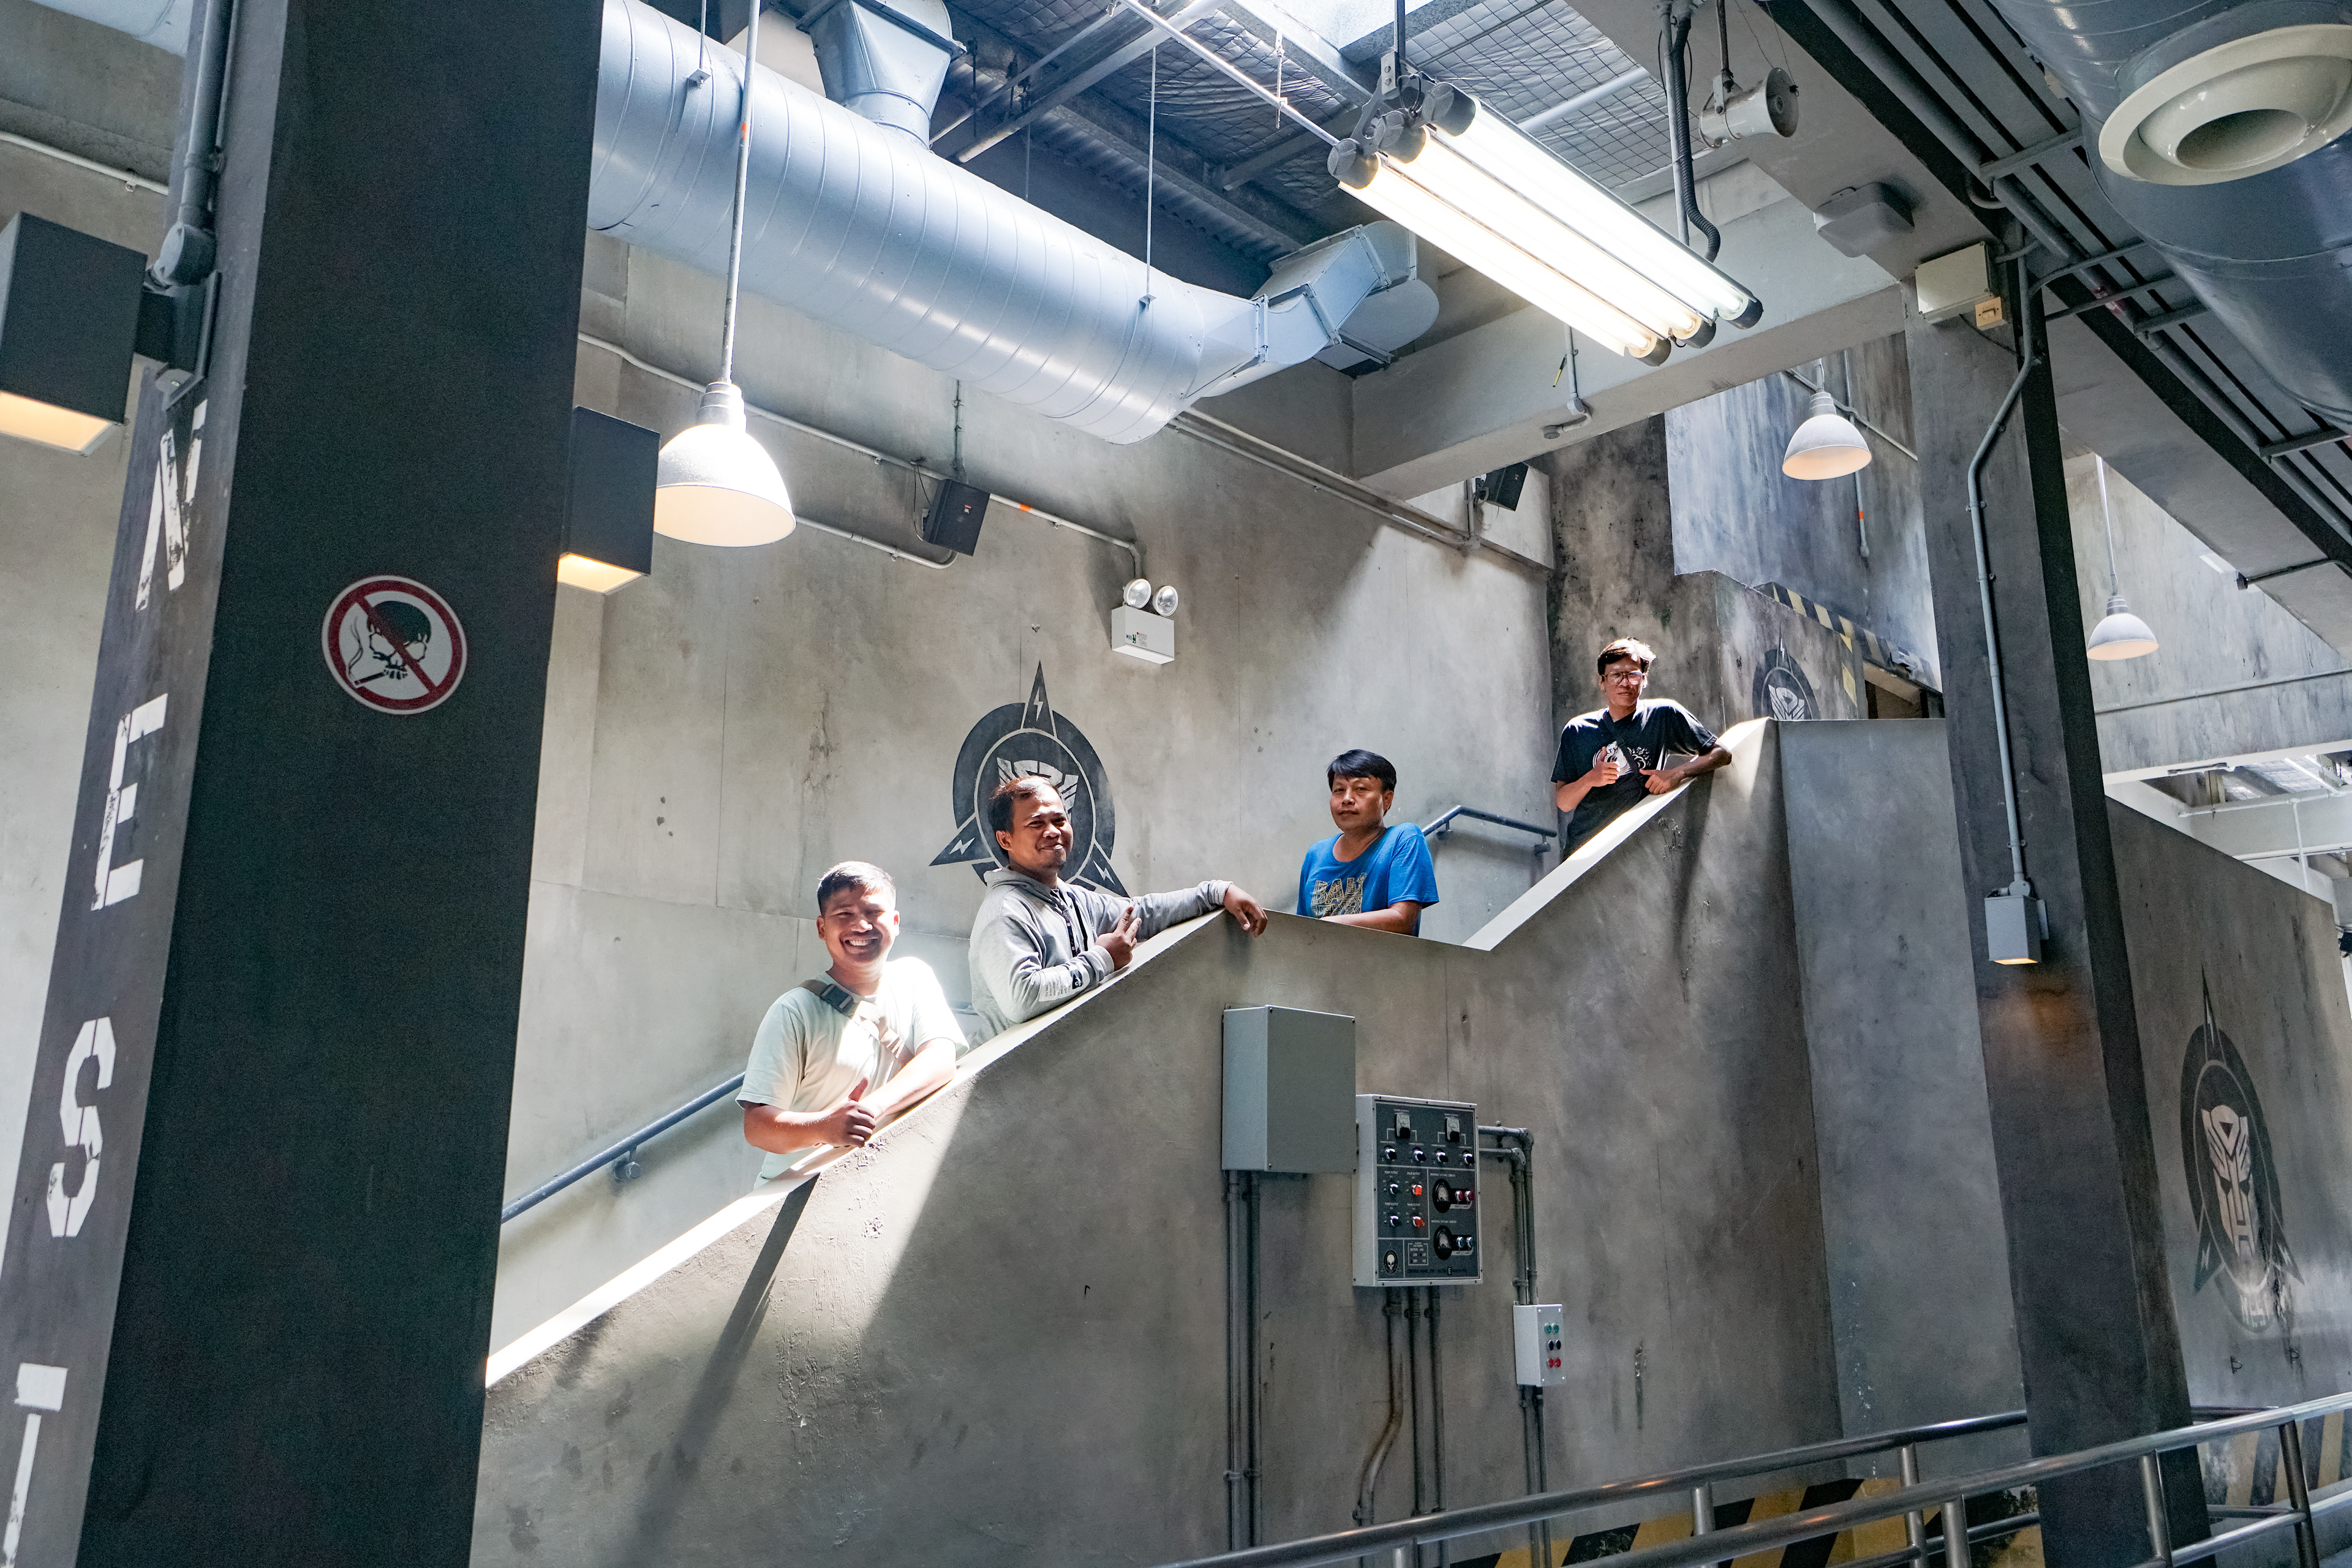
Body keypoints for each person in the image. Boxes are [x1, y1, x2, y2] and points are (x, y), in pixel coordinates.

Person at [969, 775, 1268, 1037]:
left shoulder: (1073, 898)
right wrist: (1102, 959)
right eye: (1036, 823)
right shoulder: (1004, 912)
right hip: (1012, 1078)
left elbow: (1143, 913)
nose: (1052, 831)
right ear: (1005, 839)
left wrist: (1216, 892)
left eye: (1059, 820)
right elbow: (1022, 998)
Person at [739, 862, 962, 1182]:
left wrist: (869, 1111)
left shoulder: (915, 978)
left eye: (874, 912)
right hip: (799, 1190)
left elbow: (941, 1058)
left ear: (896, 922)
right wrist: (823, 1127)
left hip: (884, 1179)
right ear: (821, 928)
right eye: (844, 914)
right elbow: (757, 1126)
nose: (861, 925)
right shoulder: (794, 1011)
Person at [1551, 638, 1732, 852]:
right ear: (1602, 681)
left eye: (1633, 675)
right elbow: (1564, 802)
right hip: (1586, 848)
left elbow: (1721, 753)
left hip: (1639, 848)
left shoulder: (1663, 715)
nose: (1625, 683)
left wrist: (1677, 773)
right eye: (1616, 675)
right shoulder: (1578, 729)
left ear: (1644, 680)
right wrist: (1591, 778)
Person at [1298, 749, 1440, 935]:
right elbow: (1301, 929)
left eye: (1361, 789)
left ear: (1387, 800)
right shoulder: (1316, 853)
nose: (1347, 799)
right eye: (1339, 790)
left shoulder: (1404, 839)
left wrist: (1328, 924)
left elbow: (1402, 920)